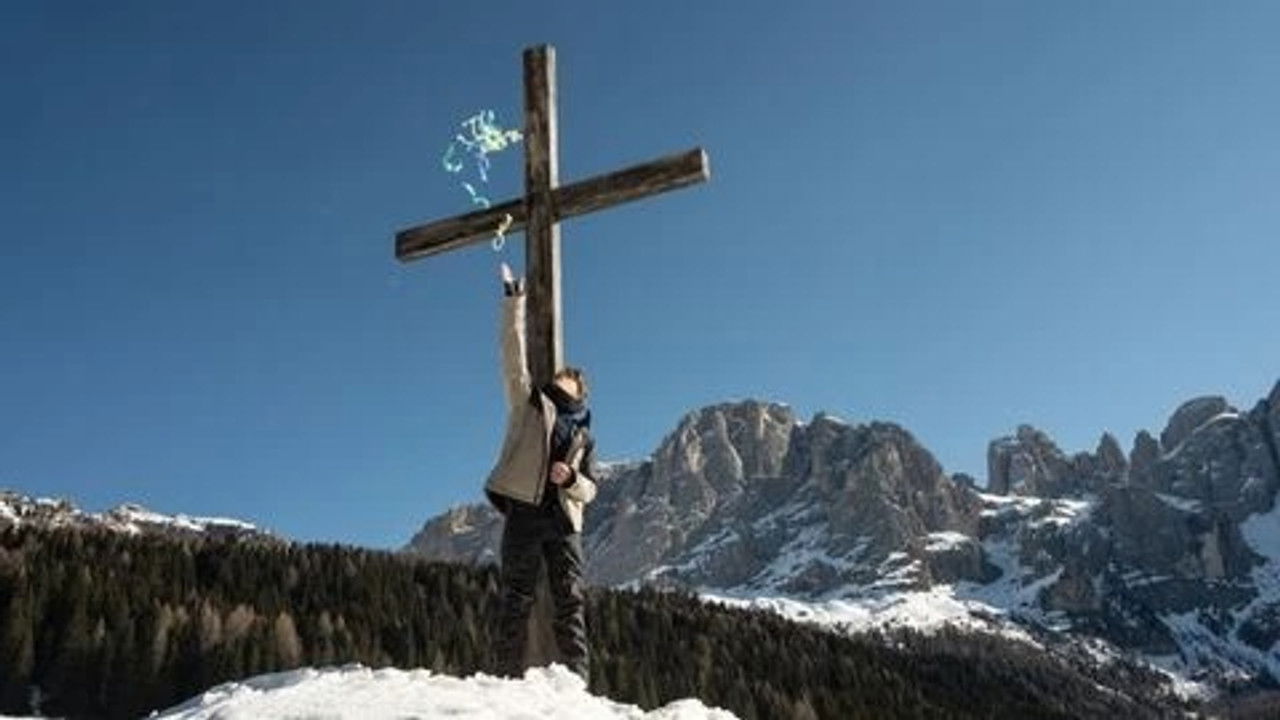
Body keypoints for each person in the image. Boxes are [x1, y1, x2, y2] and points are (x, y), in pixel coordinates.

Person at [486, 262, 598, 680]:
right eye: (562, 376)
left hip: (565, 521)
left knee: (570, 601)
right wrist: (514, 300)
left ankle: (577, 685)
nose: (564, 379)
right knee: (515, 596)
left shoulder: (585, 433)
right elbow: (512, 355)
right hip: (525, 513)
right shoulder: (530, 403)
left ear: (580, 391)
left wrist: (571, 479)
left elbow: (590, 490)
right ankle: (504, 678)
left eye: (571, 379)